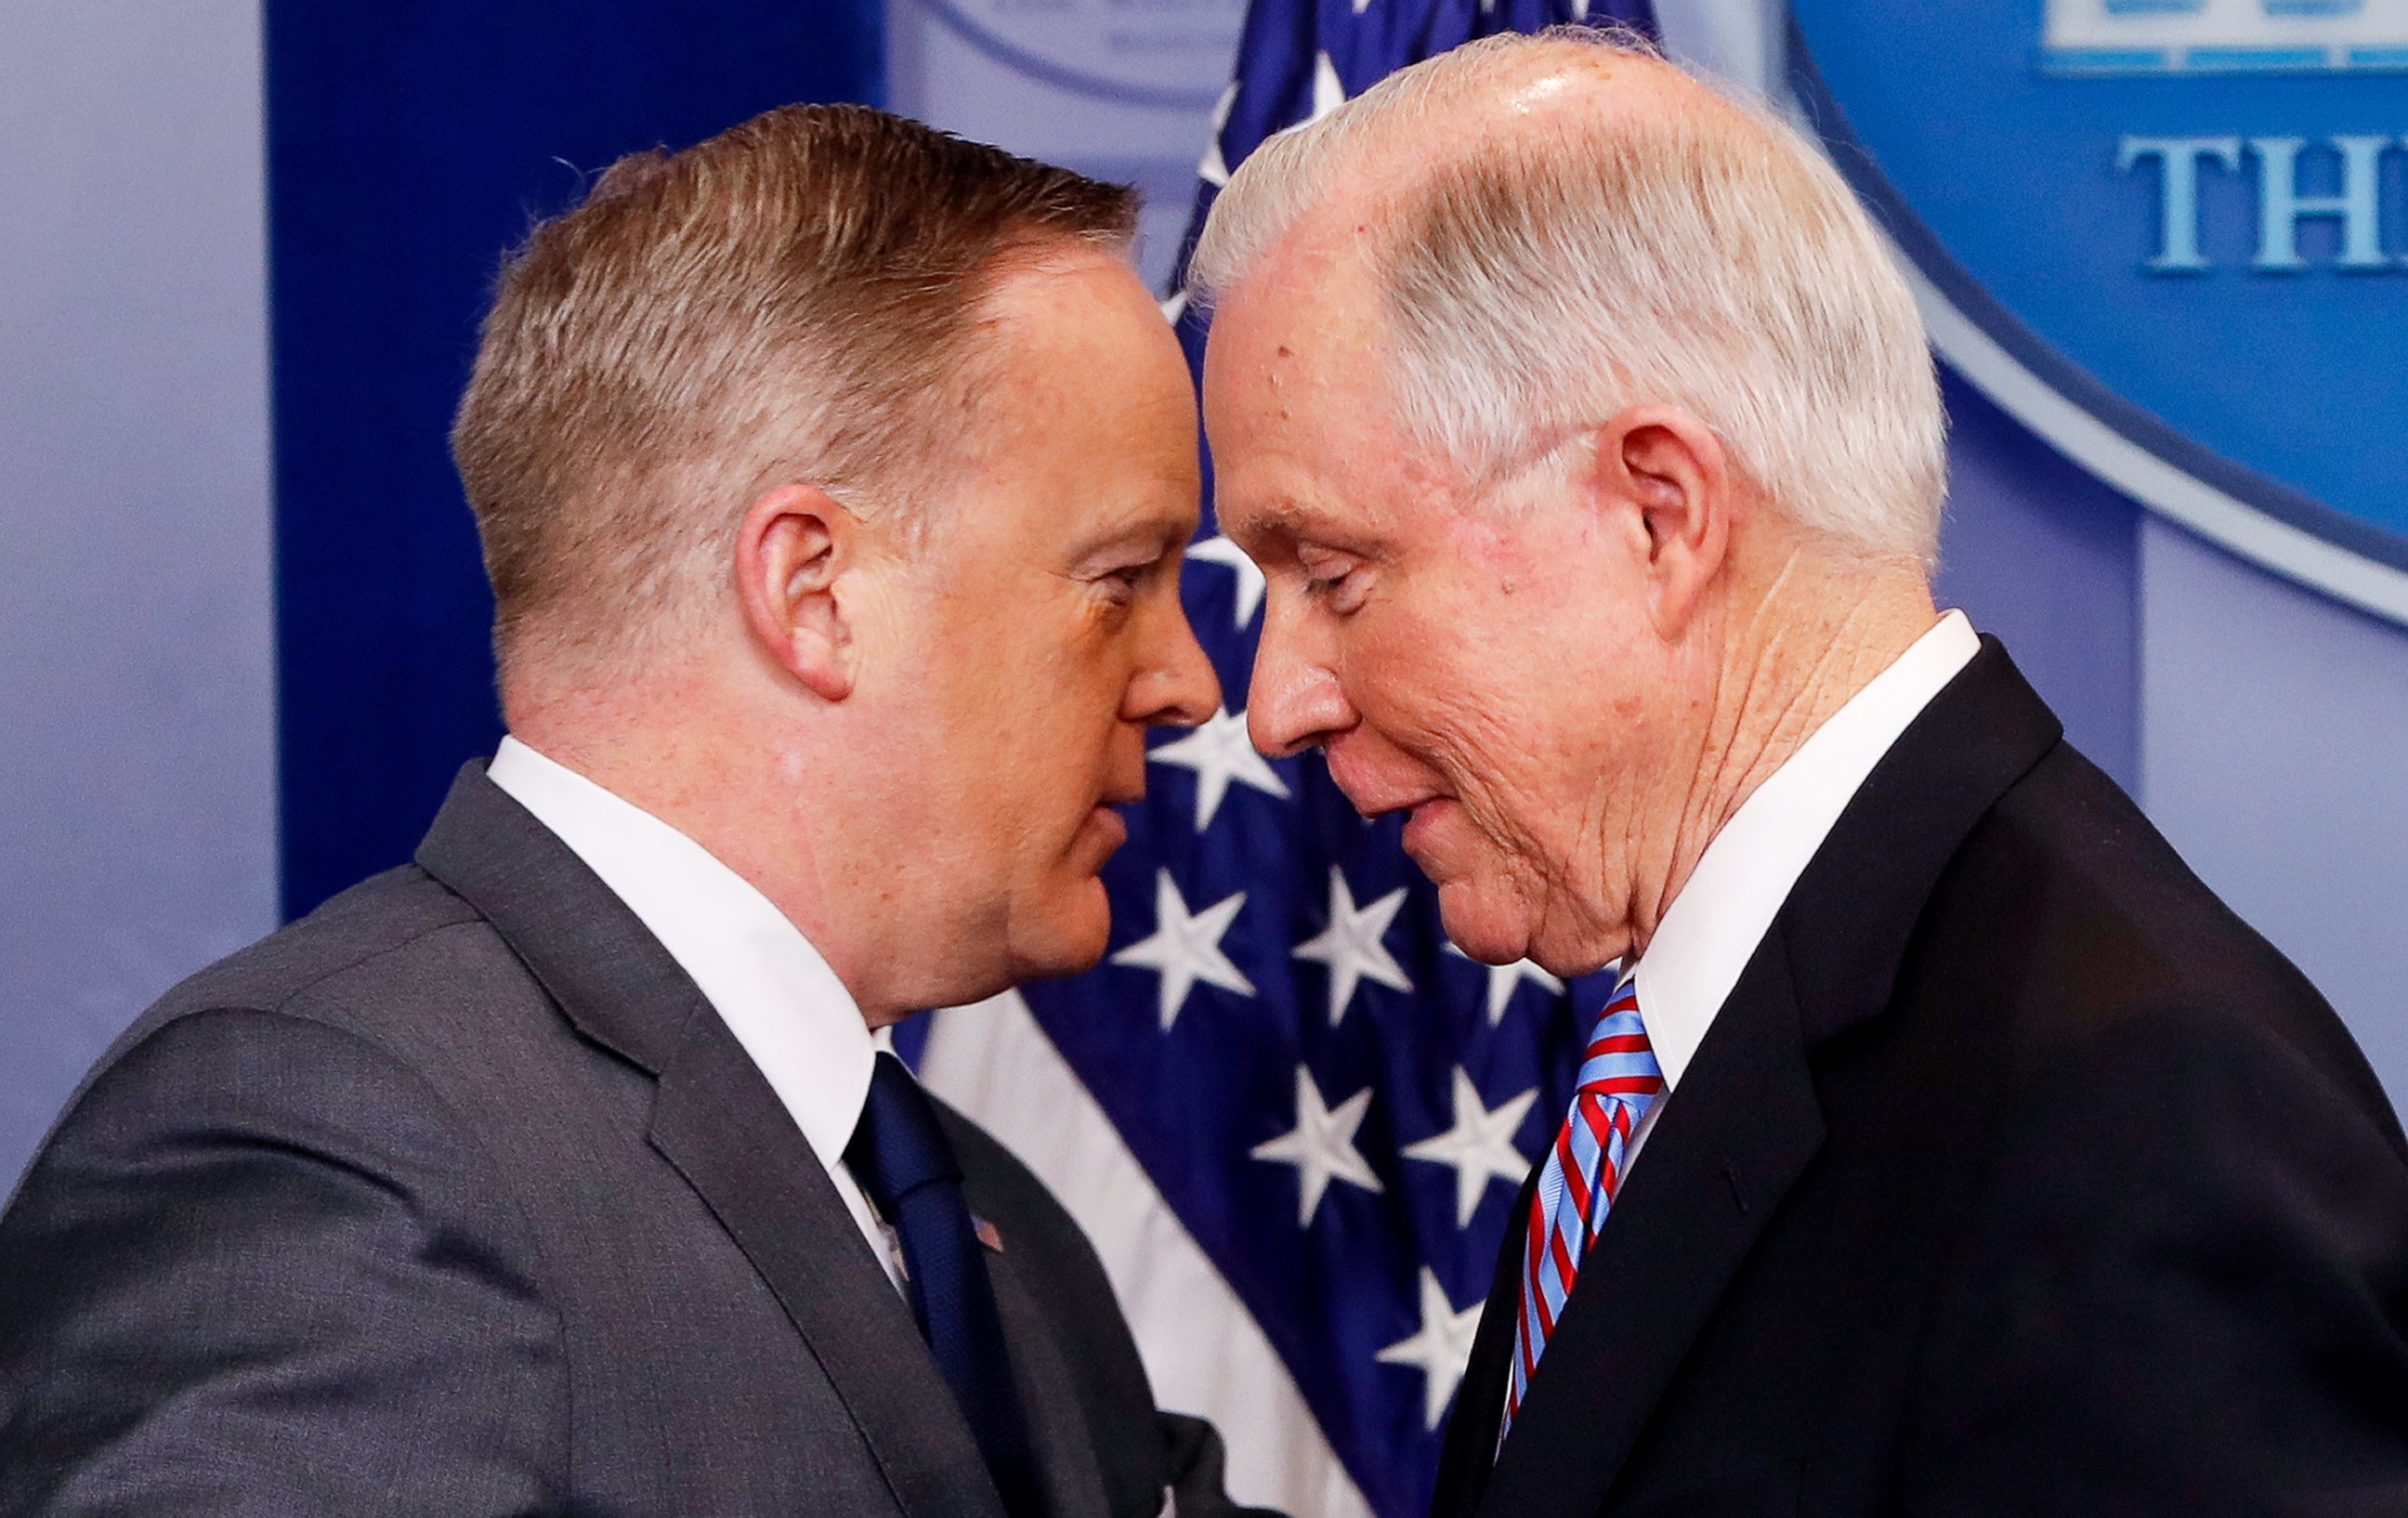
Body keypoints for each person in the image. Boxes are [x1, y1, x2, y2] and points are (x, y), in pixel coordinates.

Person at [1189, 29, 2408, 1518]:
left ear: (1657, 511)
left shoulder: (2140, 1125)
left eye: (1332, 570)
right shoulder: (1703, 1045)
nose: (1274, 704)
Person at [0, 104, 1273, 1518]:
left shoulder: (991, 1228)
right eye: (1119, 580)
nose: (1191, 682)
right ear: (815, 594)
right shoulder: (332, 1147)